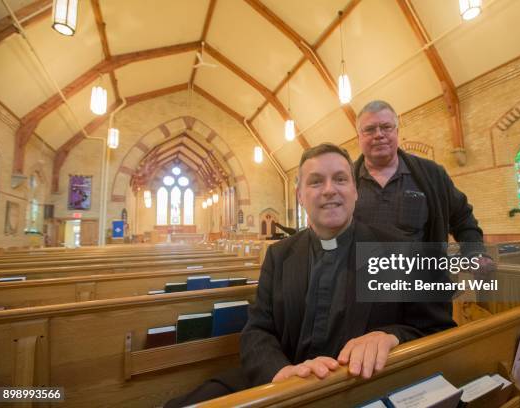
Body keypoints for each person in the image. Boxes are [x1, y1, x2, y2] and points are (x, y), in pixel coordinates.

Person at [164, 143, 455, 407]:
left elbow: (438, 329)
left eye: (340, 179)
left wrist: (391, 336)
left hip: (360, 388)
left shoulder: (404, 251)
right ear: (300, 195)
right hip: (282, 384)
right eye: (316, 182)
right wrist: (279, 371)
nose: (330, 189)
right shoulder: (279, 255)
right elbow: (258, 330)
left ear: (355, 191)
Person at [352, 100, 490, 266]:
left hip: (421, 283)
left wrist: (474, 252)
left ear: (397, 131)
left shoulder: (432, 174)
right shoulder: (344, 180)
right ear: (358, 137)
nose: (379, 134)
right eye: (369, 129)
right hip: (363, 285)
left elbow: (462, 216)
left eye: (386, 127)